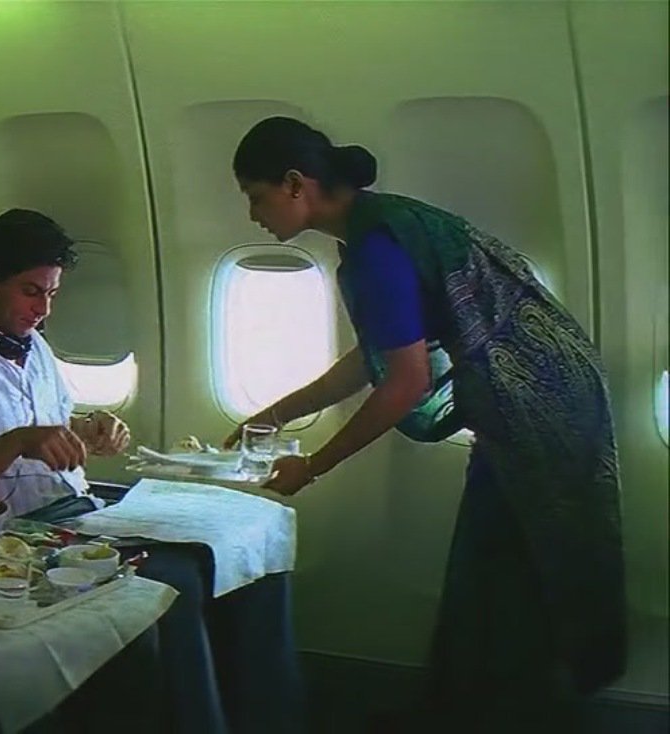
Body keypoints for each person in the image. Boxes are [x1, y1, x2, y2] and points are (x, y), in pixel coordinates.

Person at [227, 116, 626, 732]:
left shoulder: (376, 251)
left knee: (515, 570)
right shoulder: (379, 229)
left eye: (256, 196)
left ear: (295, 183)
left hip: (541, 409)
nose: (253, 215)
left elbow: (404, 382)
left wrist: (313, 466)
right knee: (486, 565)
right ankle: (462, 709)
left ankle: (505, 715)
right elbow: (373, 360)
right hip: (539, 398)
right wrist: (273, 416)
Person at [0, 208, 301, 734]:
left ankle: (264, 718)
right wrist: (18, 442)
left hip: (77, 505)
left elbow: (45, 424)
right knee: (176, 581)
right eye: (31, 292)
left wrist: (85, 430)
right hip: (23, 528)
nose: (43, 309)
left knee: (221, 554)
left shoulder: (34, 345)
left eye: (52, 294)